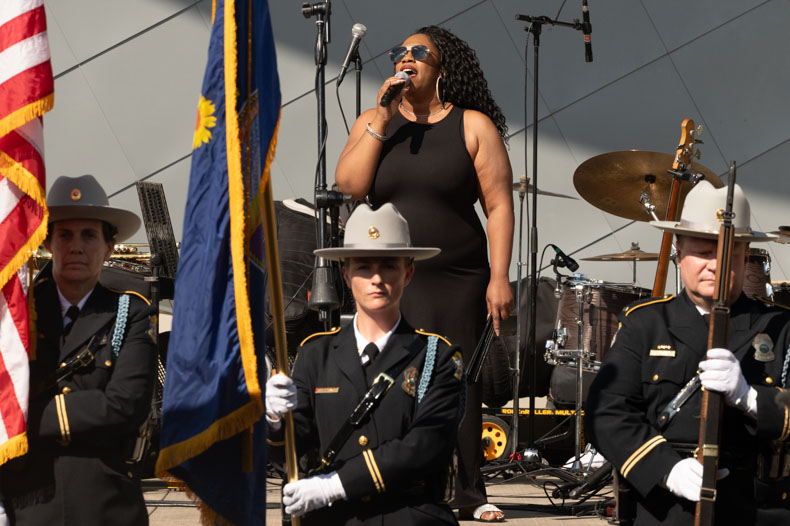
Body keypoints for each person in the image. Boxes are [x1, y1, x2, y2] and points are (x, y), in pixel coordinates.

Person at [334, 25, 514, 522]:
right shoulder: (377, 121)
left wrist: (500, 276)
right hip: (391, 273)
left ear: (441, 68)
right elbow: (349, 185)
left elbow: (499, 205)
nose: (406, 58)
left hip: (458, 274)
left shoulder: (472, 125)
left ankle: (471, 493)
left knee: (457, 378)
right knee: (394, 373)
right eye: (400, 52)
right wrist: (380, 116)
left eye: (419, 52)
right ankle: (399, 479)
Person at [585, 181, 790, 525]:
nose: (716, 265)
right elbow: (606, 413)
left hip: (758, 504)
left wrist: (751, 398)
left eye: (730, 253)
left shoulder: (780, 326)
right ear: (678, 253)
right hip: (667, 503)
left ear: (746, 256)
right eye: (705, 251)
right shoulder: (645, 324)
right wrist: (667, 469)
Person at [265, 203, 465, 525]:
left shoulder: (436, 357)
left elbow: (425, 445)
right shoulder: (315, 354)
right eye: (363, 266)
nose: (376, 278)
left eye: (388, 266)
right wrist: (274, 420)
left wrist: (335, 485)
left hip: (408, 516)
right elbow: (288, 451)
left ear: (408, 272)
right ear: (345, 274)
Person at [0, 175, 157, 525]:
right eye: (65, 235)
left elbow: (126, 405)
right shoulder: (16, 316)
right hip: (29, 504)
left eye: (89, 235)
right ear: (48, 243)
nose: (76, 246)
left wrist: (24, 418)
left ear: (109, 247)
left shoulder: (130, 313)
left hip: (106, 503)